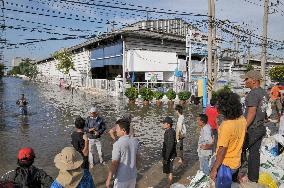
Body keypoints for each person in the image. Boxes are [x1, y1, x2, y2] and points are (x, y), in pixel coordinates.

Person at [210, 91, 247, 187]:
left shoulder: (227, 125)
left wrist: (214, 169)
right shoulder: (242, 119)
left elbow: (222, 150)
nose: (217, 106)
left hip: (225, 165)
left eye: (218, 104)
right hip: (236, 162)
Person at [241, 70, 268, 182]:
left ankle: (233, 175)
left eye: (247, 79)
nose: (245, 81)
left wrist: (244, 128)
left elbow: (251, 112)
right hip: (260, 127)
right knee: (254, 154)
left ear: (253, 80)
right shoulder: (263, 92)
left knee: (239, 150)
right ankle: (253, 178)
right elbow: (264, 111)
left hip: (252, 128)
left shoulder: (253, 94)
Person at [106, 119, 139, 188]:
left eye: (117, 128)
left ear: (123, 130)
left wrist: (109, 179)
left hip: (121, 178)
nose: (116, 131)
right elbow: (137, 158)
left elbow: (114, 164)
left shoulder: (118, 144)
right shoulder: (135, 141)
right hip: (133, 177)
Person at [161, 116, 177, 187]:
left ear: (168, 124)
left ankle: (169, 185)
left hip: (170, 155)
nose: (163, 124)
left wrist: (166, 158)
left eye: (164, 123)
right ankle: (169, 183)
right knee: (168, 169)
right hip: (170, 154)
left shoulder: (170, 133)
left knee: (169, 170)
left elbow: (170, 146)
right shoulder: (170, 131)